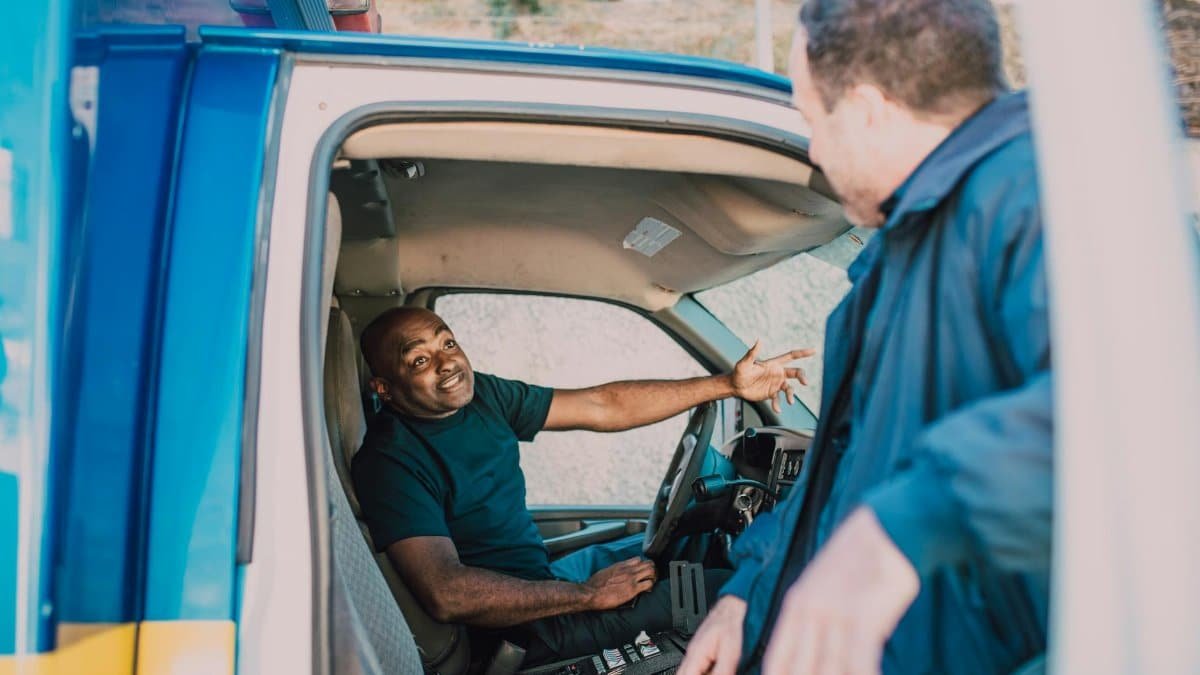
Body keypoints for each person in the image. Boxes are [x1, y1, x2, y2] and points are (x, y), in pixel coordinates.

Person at [679, 1, 1053, 674]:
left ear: (867, 109)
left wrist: (898, 529)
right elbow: (845, 476)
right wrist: (746, 595)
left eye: (812, 120)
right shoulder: (903, 256)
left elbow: (1143, 407)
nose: (815, 149)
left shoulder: (1045, 197)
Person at [350, 305, 813, 666]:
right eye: (419, 359)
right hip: (517, 633)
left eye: (448, 343)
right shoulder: (389, 463)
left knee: (678, 549)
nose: (446, 363)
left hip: (543, 584)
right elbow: (447, 592)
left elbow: (601, 406)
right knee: (728, 589)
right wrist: (588, 595)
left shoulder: (481, 397)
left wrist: (727, 385)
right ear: (384, 389)